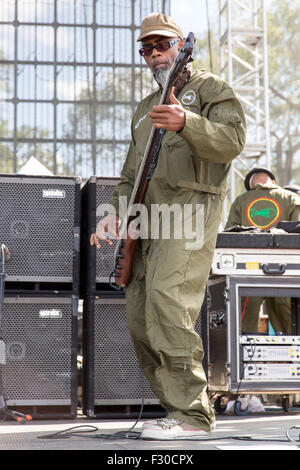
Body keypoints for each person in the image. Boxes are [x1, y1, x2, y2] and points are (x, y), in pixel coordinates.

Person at [91, 12, 246, 440]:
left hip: (191, 212)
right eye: (146, 48)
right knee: (141, 315)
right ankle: (175, 409)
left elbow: (232, 142)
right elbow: (128, 176)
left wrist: (187, 122)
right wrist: (111, 214)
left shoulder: (211, 88)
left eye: (162, 45)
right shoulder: (144, 108)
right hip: (146, 219)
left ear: (181, 45)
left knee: (167, 300)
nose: (154, 54)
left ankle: (193, 415)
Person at [225, 167, 300, 334]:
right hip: (286, 271)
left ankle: (244, 358)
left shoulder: (241, 200)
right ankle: (292, 357)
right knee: (291, 325)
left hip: (248, 272)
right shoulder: (291, 198)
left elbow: (228, 235)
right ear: (273, 182)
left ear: (252, 186)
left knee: (242, 326)